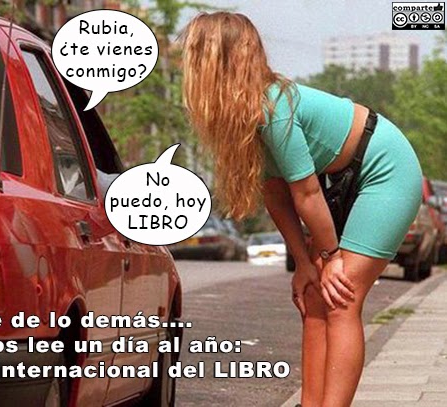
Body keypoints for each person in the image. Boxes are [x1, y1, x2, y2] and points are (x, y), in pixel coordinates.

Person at [179, 12, 422, 407]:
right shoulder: (243, 116)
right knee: (313, 295)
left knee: (341, 298)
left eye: (192, 58)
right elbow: (276, 194)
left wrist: (331, 257)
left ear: (214, 61)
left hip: (385, 169)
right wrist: (305, 264)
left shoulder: (275, 107)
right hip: (341, 178)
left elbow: (306, 194)